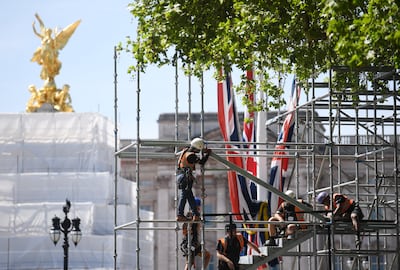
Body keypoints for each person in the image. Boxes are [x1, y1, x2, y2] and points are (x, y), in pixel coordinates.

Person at [176, 138, 211, 221]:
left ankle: (196, 214)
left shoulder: (185, 151)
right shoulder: (191, 155)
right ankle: (180, 214)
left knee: (190, 196)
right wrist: (208, 154)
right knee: (184, 196)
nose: (198, 151)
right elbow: (201, 162)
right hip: (186, 177)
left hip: (182, 176)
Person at [180, 197, 211, 270]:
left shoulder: (196, 215)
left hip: (195, 243)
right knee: (189, 263)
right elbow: (185, 228)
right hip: (190, 243)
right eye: (198, 206)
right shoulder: (191, 215)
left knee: (207, 255)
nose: (199, 208)